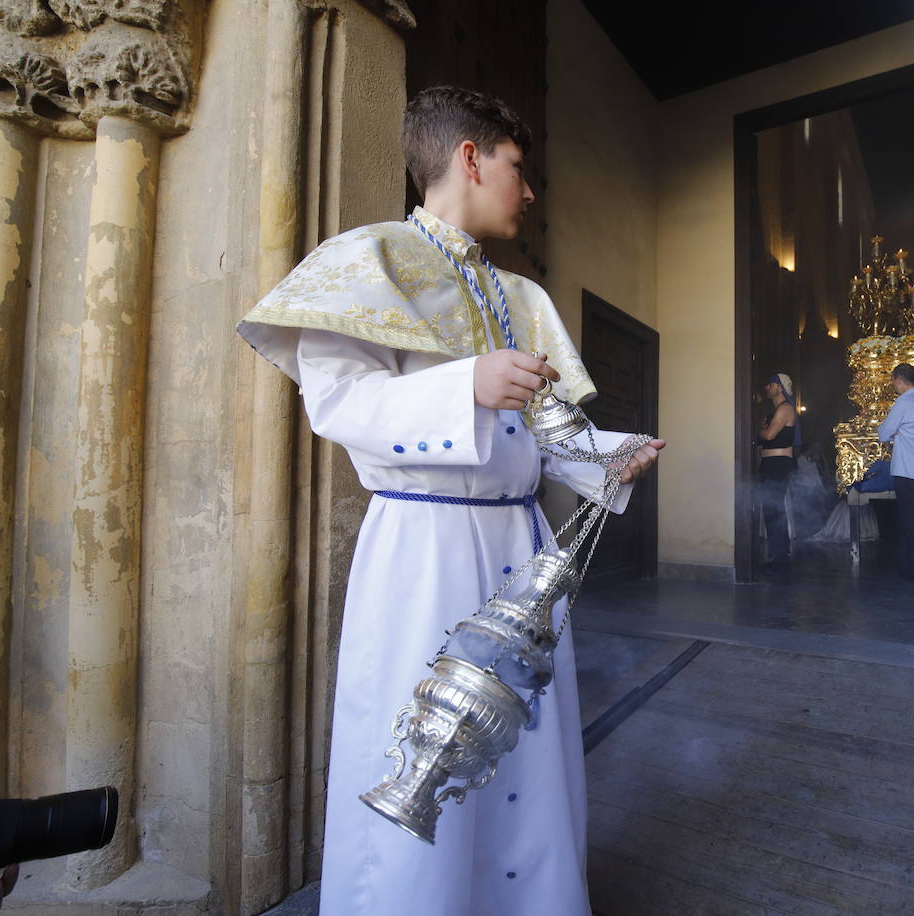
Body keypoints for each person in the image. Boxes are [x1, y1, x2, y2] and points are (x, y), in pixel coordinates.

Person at [237, 86, 663, 915]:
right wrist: (465, 382)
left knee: (524, 744)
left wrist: (610, 457)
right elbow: (339, 405)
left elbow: (540, 434)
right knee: (422, 740)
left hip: (521, 545)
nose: (528, 191)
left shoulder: (524, 298)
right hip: (424, 549)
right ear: (470, 157)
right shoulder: (368, 260)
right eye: (517, 167)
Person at [877, 364, 914, 580]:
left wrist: (894, 433)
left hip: (908, 470)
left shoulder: (904, 403)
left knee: (912, 523)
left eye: (893, 381)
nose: (893, 385)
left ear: (899, 380)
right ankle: (908, 566)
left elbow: (884, 433)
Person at [756, 373, 799, 569]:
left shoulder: (785, 409)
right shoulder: (774, 411)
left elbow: (769, 434)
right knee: (770, 508)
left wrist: (755, 430)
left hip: (778, 464)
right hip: (770, 463)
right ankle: (777, 555)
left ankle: (780, 557)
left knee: (774, 508)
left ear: (780, 387)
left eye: (770, 384)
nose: (767, 387)